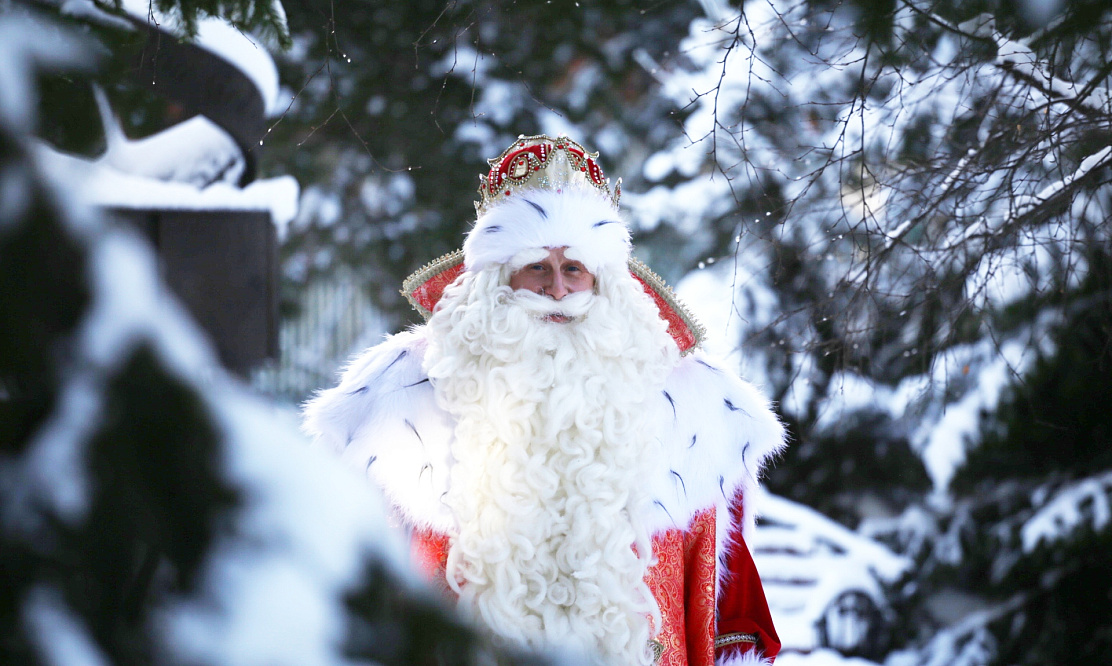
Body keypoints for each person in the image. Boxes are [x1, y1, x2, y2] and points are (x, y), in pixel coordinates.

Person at [303, 135, 786, 666]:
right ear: (497, 278)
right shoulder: (402, 402)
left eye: (575, 268)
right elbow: (351, 586)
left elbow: (732, 608)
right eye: (537, 266)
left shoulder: (696, 410)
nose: (558, 290)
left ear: (605, 280)